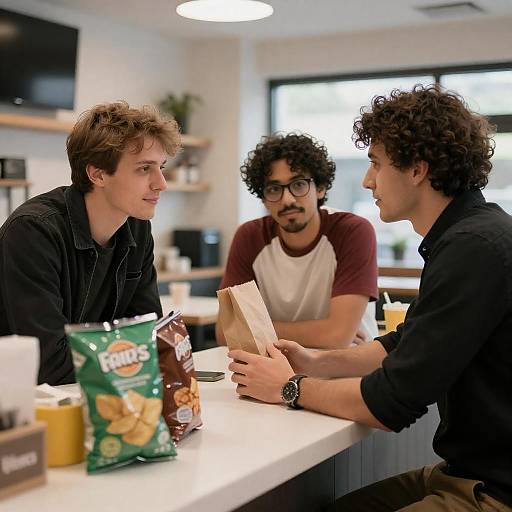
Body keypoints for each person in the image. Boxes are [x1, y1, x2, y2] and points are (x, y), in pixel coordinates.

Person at [227, 86, 512, 511]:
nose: (367, 180)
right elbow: (403, 343)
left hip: (494, 491)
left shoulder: (474, 247)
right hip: (466, 473)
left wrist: (289, 387)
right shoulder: (469, 234)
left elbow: (390, 402)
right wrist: (316, 361)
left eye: (376, 163)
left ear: (417, 168)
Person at [0, 101, 181, 385]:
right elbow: (49, 364)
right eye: (145, 169)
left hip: (94, 392)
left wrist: (129, 356)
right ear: (97, 174)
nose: (161, 183)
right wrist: (128, 357)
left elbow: (149, 338)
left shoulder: (137, 227)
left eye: (161, 167)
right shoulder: (34, 232)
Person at [217, 133, 378, 349]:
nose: (287, 199)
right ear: (264, 198)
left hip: (347, 369)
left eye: (299, 185)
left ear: (320, 188)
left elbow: (336, 336)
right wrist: (326, 331)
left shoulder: (353, 232)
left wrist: (257, 330)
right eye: (274, 189)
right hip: (277, 366)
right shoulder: (249, 237)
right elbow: (225, 333)